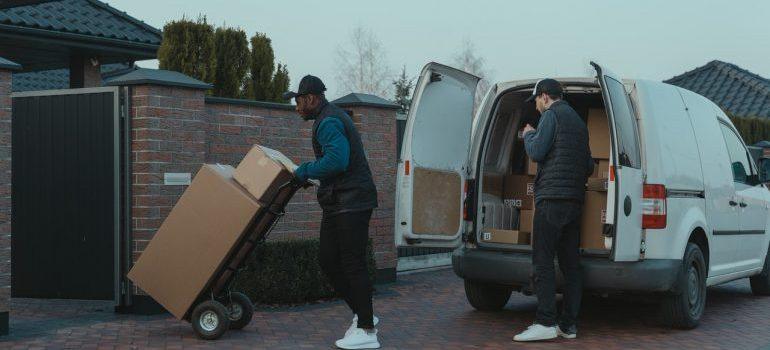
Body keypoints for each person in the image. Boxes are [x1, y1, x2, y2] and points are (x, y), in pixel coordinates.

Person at [283, 75, 381, 350]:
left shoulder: (328, 122)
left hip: (352, 203)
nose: (297, 107)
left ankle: (367, 330)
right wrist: (311, 176)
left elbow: (338, 160)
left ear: (311, 98)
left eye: (298, 101)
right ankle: (365, 315)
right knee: (327, 259)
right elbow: (336, 163)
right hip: (340, 202)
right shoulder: (328, 118)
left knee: (353, 263)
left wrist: (304, 171)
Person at [513, 79, 594, 342]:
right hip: (574, 201)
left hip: (551, 199)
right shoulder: (579, 123)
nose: (536, 105)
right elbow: (589, 166)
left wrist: (528, 134)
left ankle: (545, 322)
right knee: (571, 265)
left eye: (536, 100)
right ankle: (568, 325)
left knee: (543, 260)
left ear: (545, 97)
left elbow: (537, 151)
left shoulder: (551, 116)